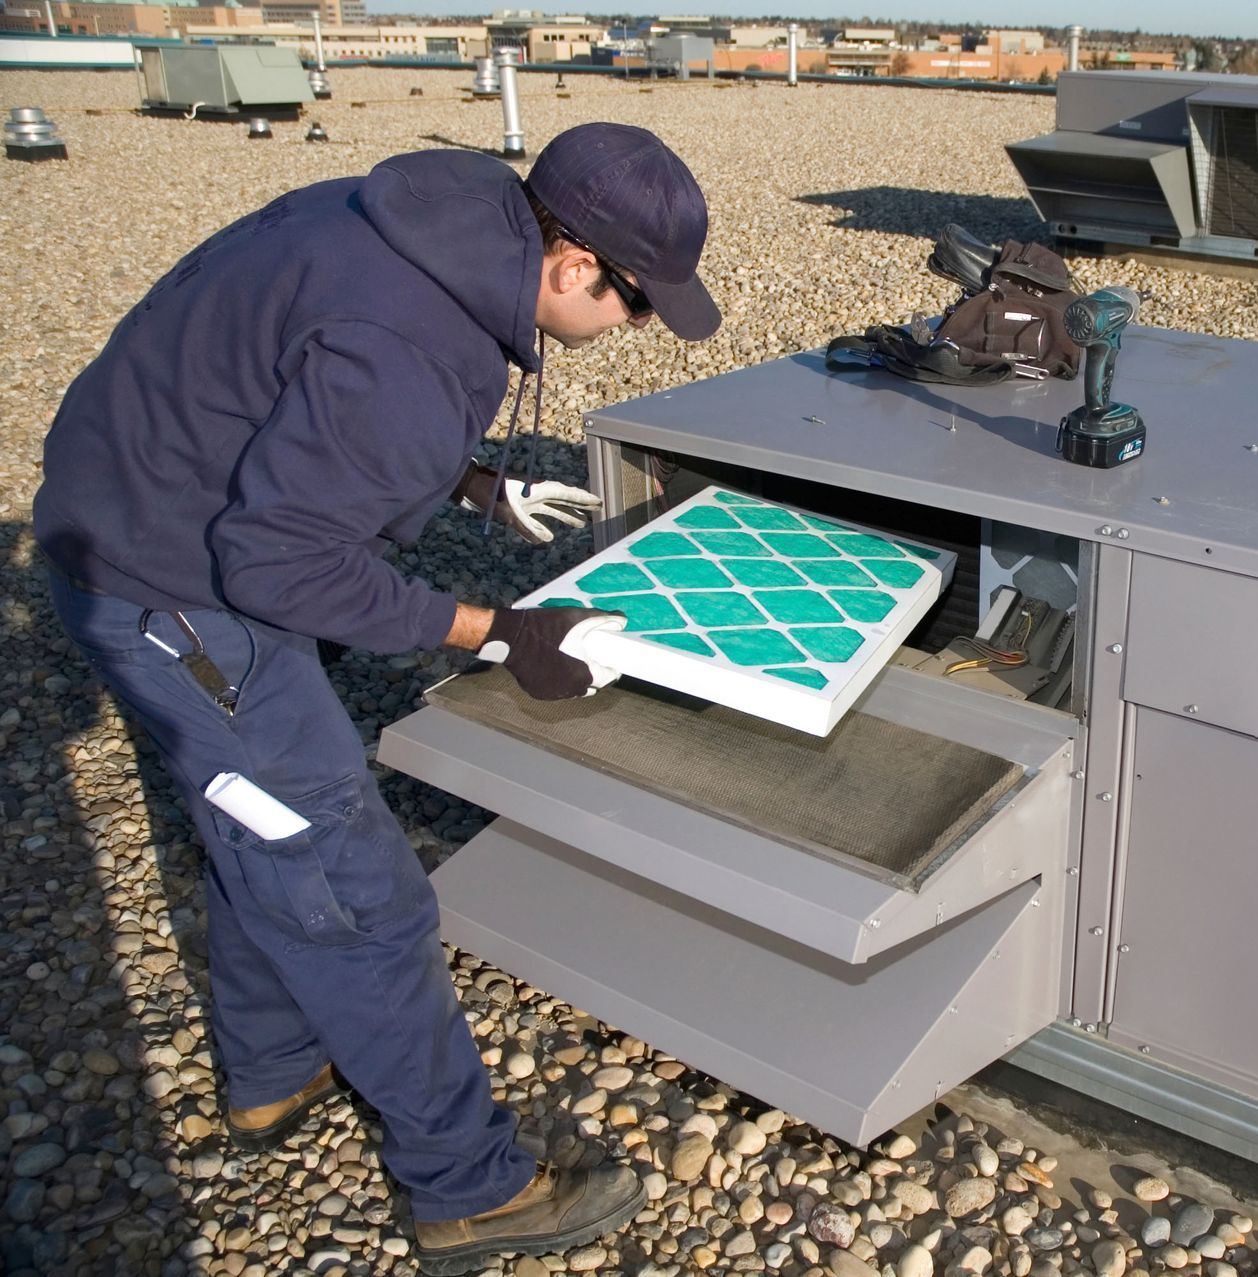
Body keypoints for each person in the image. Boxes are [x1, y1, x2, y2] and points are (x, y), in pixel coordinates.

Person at [32, 122, 721, 1274]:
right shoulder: (410, 348)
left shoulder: (401, 218)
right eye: (640, 305)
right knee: (358, 890)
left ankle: (270, 1070)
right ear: (571, 265)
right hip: (180, 599)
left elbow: (294, 384)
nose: (636, 330)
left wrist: (461, 477)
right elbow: (280, 566)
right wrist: (505, 630)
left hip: (130, 504)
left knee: (262, 827)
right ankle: (469, 1187)